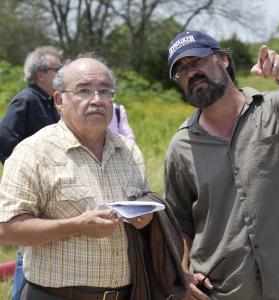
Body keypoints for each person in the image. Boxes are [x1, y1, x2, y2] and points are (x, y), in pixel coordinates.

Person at [0, 54, 186, 300]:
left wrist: (146, 220)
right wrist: (76, 226)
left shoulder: (128, 151)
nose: (97, 100)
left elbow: (144, 213)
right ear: (59, 100)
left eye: (105, 91)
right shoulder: (33, 152)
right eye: (84, 91)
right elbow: (7, 231)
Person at [164, 31, 279, 300]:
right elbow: (179, 222)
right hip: (224, 291)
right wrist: (181, 273)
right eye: (181, 70)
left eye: (197, 61)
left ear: (223, 60)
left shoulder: (276, 108)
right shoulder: (181, 147)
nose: (190, 73)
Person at [0, 46, 62, 300]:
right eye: (57, 70)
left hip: (51, 190)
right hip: (31, 190)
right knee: (28, 249)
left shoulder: (51, 102)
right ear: (40, 74)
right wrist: (21, 173)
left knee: (36, 249)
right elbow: (3, 138)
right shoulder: (26, 99)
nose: (61, 74)